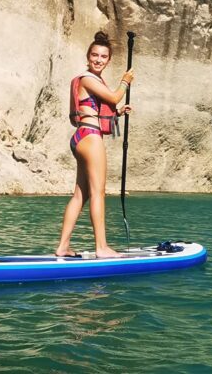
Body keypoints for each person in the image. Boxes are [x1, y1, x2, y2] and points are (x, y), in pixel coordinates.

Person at [55, 31, 133, 258]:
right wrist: (125, 83)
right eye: (95, 55)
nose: (99, 60)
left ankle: (62, 247)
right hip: (90, 137)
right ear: (88, 57)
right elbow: (115, 96)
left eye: (103, 56)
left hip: (82, 136)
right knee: (99, 192)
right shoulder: (88, 78)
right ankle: (102, 247)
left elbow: (94, 108)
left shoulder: (89, 80)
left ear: (108, 60)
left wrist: (117, 113)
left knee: (81, 195)